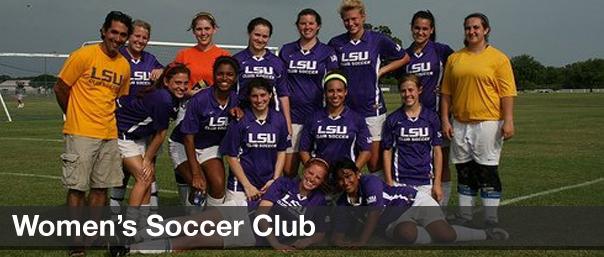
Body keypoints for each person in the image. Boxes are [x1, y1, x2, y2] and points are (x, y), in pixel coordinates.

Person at [109, 158, 330, 255]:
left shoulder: (318, 201)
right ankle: (133, 235)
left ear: (322, 181)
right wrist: (275, 243)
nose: (312, 178)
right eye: (310, 172)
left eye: (318, 177)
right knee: (191, 223)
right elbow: (262, 214)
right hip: (245, 213)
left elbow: (319, 233)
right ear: (304, 170)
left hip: (250, 236)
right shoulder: (284, 183)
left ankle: (130, 250)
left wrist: (303, 241)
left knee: (193, 240)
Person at [53, 11, 133, 257]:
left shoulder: (123, 65)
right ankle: (76, 244)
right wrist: (74, 114)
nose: (117, 39)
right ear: (103, 31)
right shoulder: (83, 55)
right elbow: (61, 87)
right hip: (80, 133)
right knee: (77, 188)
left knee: (101, 189)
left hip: (109, 134)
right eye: (114, 32)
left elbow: (116, 98)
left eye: (122, 35)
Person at [440, 13, 516, 226]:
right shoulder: (455, 59)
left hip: (488, 122)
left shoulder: (499, 58)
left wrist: (508, 119)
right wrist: (445, 120)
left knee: (487, 169)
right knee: (463, 169)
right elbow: (446, 93)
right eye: (468, 28)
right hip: (460, 123)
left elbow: (507, 93)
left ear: (486, 30)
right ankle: (465, 215)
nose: (471, 32)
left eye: (476, 28)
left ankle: (491, 217)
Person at [331, 159, 508, 247]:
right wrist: (340, 242)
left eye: (348, 176)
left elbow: (374, 214)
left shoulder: (369, 182)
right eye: (340, 179)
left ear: (357, 174)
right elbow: (338, 232)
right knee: (406, 235)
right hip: (394, 219)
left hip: (413, 201)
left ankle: (486, 234)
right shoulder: (342, 202)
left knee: (446, 236)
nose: (345, 182)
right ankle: (433, 227)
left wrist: (361, 242)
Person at [328, 0, 410, 173]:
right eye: (346, 20)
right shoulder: (336, 43)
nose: (351, 23)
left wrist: (381, 71)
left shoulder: (377, 39)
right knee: (347, 161)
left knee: (374, 164)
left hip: (372, 110)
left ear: (363, 17)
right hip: (346, 111)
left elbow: (404, 57)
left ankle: (375, 197)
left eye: (354, 19)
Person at [115, 63, 188, 211]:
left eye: (185, 83)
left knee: (146, 179)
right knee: (144, 177)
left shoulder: (170, 96)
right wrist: (147, 160)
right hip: (123, 135)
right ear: (167, 82)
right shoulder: (164, 99)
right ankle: (131, 226)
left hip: (139, 137)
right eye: (178, 83)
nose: (182, 87)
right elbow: (161, 134)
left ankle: (142, 225)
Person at [169, 56, 240, 207]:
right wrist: (195, 173)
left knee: (218, 184)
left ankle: (209, 224)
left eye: (229, 74)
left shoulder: (236, 99)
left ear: (235, 77)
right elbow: (188, 138)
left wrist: (241, 112)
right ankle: (191, 224)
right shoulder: (200, 99)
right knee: (199, 186)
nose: (224, 78)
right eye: (220, 74)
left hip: (210, 146)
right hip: (183, 144)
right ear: (214, 75)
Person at [110, 19, 164, 209]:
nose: (140, 40)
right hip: (121, 124)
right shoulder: (118, 56)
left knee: (148, 170)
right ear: (129, 36)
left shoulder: (150, 59)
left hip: (144, 126)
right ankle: (119, 216)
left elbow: (165, 75)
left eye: (145, 37)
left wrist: (161, 71)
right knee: (124, 173)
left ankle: (149, 215)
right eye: (137, 36)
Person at [279, 8, 338, 177]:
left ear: (318, 26)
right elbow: (281, 84)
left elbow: (334, 83)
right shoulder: (287, 50)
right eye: (303, 23)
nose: (307, 27)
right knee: (289, 170)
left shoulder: (327, 52)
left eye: (311, 23)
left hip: (318, 116)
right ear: (297, 26)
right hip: (293, 117)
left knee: (318, 167)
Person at [403, 10, 455, 205]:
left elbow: (460, 69)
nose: (421, 32)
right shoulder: (405, 55)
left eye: (425, 29)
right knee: (419, 163)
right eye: (417, 28)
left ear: (431, 30)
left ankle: (442, 206)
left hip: (439, 117)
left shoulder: (442, 50)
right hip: (412, 118)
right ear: (411, 28)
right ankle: (418, 204)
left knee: (443, 164)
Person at [220, 77, 290, 204]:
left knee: (268, 221)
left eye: (263, 95)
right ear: (249, 97)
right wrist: (247, 186)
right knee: (235, 222)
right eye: (254, 96)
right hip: (240, 185)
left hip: (267, 184)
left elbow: (281, 151)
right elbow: (231, 157)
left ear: (270, 95)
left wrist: (274, 180)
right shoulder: (240, 119)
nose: (259, 100)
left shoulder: (279, 119)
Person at [382, 74, 443, 203]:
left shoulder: (431, 118)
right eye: (403, 91)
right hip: (401, 182)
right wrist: (389, 181)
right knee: (403, 222)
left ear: (419, 90)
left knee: (432, 222)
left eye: (411, 90)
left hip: (426, 181)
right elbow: (387, 151)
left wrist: (437, 183)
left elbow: (437, 151)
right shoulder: (393, 119)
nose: (407, 94)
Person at [299, 70, 371, 173]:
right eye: (331, 91)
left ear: (346, 92)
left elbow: (366, 150)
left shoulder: (357, 119)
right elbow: (304, 150)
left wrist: (352, 172)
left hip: (345, 178)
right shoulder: (313, 118)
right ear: (325, 93)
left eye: (339, 90)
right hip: (321, 178)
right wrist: (314, 173)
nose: (335, 95)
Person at [233, 17, 292, 138]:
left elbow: (283, 95)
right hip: (244, 118)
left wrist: (287, 123)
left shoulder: (277, 63)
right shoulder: (237, 60)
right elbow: (231, 91)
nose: (260, 39)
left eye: (265, 36)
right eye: (257, 35)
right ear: (249, 33)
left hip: (270, 119)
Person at [174, 11, 230, 91]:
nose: (203, 33)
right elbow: (174, 82)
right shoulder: (183, 55)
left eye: (207, 29)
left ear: (214, 30)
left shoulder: (224, 55)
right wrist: (190, 93)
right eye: (199, 29)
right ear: (194, 31)